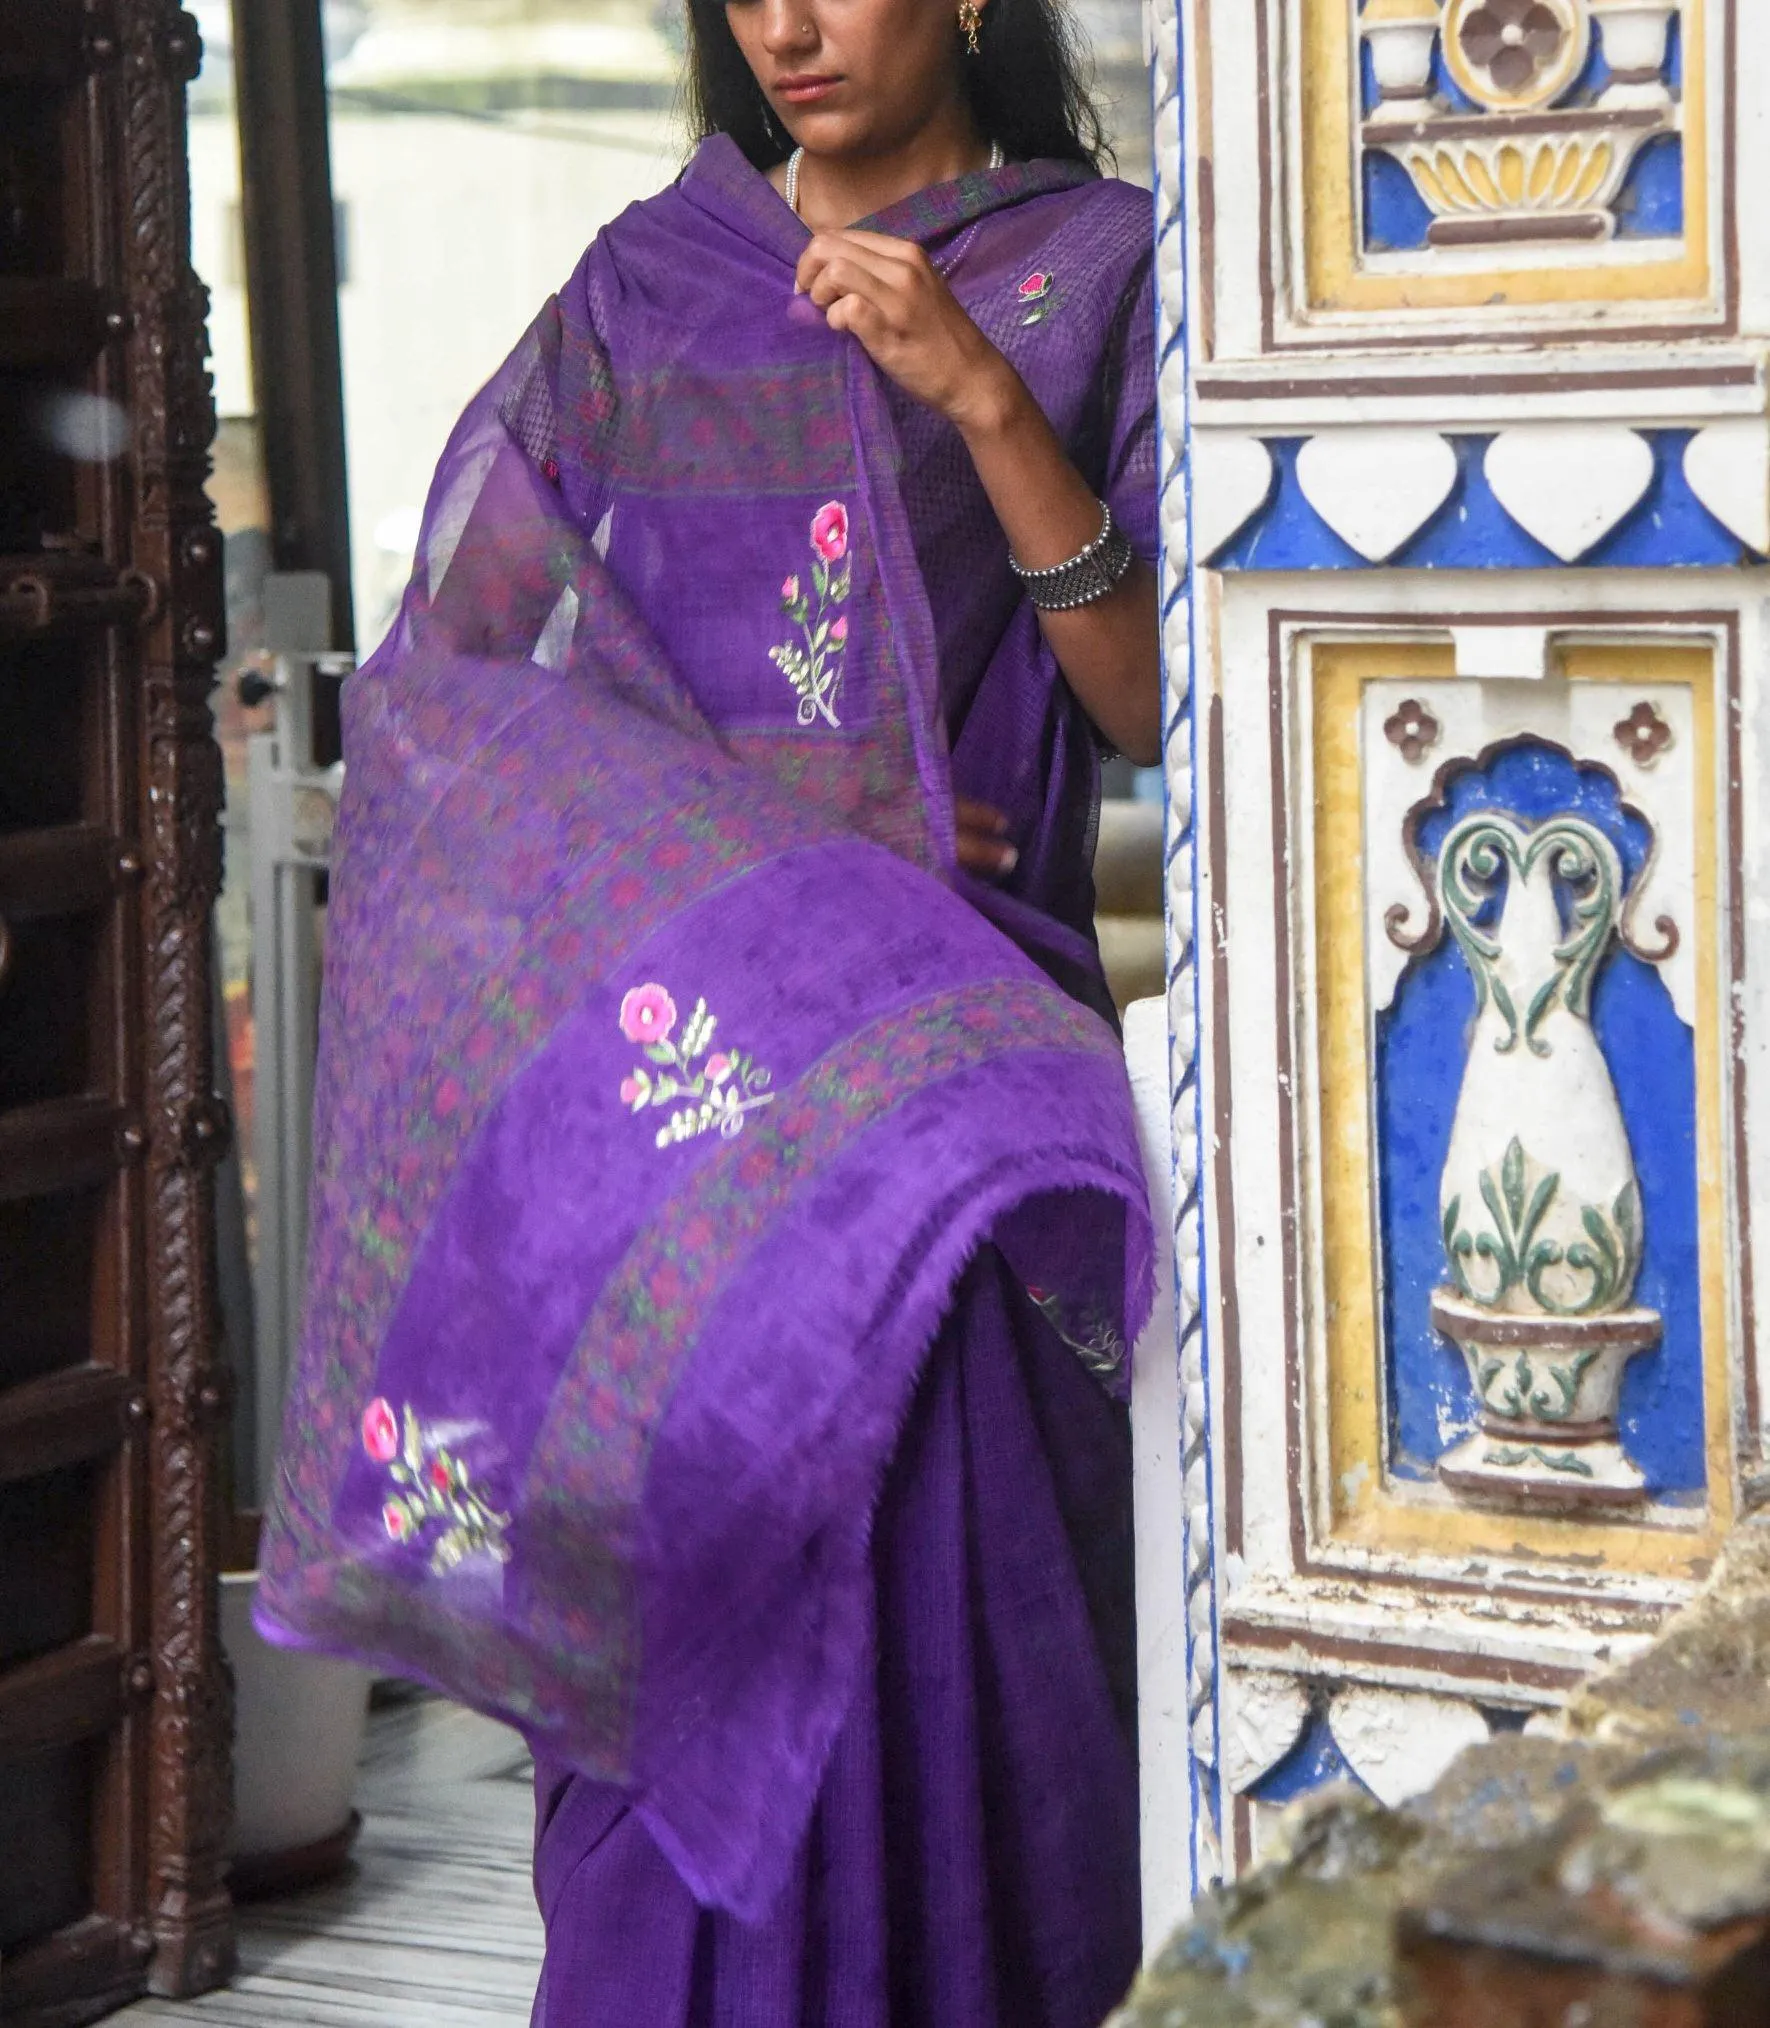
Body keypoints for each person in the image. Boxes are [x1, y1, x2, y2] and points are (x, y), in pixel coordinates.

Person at [254, 0, 1162, 2021]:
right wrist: (782, 827)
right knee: (675, 1704)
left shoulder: (1095, 271)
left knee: (953, 1663)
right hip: (669, 1132)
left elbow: (1150, 703)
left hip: (949, 1114)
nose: (787, 22)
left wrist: (982, 396)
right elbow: (461, 694)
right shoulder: (639, 292)